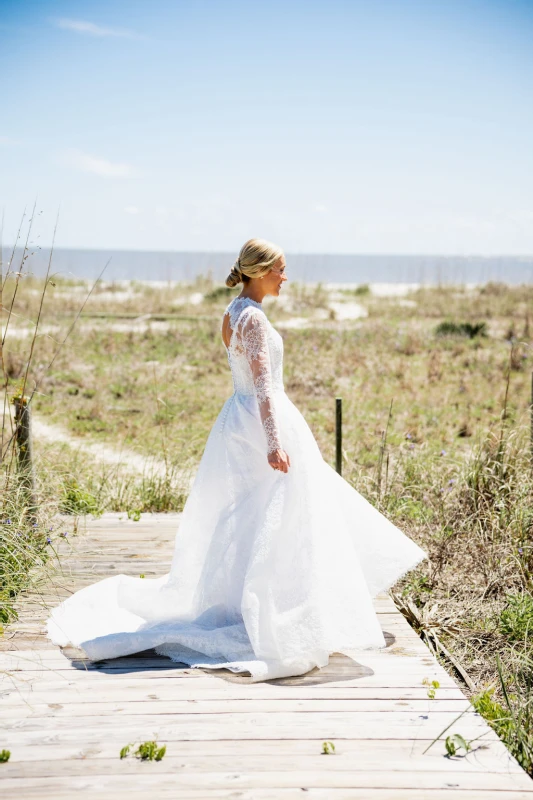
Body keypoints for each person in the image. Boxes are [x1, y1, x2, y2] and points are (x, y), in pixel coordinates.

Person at [47, 238, 427, 682]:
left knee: (261, 515)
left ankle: (274, 602)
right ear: (261, 271)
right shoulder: (253, 320)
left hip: (240, 418)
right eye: (281, 269)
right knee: (276, 513)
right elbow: (264, 385)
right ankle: (269, 611)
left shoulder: (233, 311)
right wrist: (274, 442)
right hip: (260, 423)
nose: (286, 277)